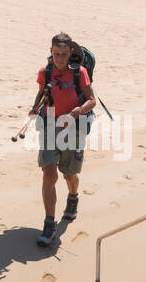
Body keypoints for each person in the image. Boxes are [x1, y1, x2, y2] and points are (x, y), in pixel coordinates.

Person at [29, 33, 97, 245]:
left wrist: (75, 113)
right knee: (49, 173)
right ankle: (49, 224)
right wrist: (34, 108)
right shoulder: (45, 72)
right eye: (56, 54)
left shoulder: (80, 73)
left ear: (71, 54)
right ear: (51, 52)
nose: (59, 58)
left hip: (73, 128)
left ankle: (73, 197)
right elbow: (41, 94)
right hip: (50, 125)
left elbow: (91, 100)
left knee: (69, 175)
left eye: (64, 54)